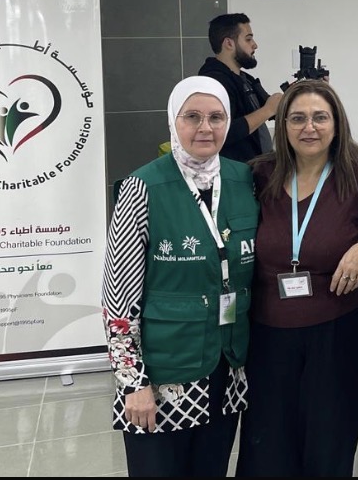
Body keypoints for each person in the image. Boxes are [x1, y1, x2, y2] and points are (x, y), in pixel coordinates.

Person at [235, 79, 358, 477]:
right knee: (267, 448)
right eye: (298, 118)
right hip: (268, 337)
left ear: (337, 123)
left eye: (320, 117)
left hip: (337, 335)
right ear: (283, 125)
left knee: (328, 446)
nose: (309, 127)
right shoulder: (259, 175)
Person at [102, 75, 259, 478]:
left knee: (211, 468)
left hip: (226, 368)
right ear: (173, 120)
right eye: (192, 117)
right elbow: (118, 298)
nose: (205, 127)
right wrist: (132, 382)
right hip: (161, 374)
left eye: (216, 117)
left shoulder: (244, 180)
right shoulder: (142, 187)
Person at [197, 12, 283, 163]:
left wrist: (306, 89)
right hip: (233, 170)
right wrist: (267, 110)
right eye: (248, 39)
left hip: (255, 168)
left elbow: (273, 108)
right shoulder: (213, 82)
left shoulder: (245, 79)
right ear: (229, 43)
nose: (255, 45)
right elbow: (221, 131)